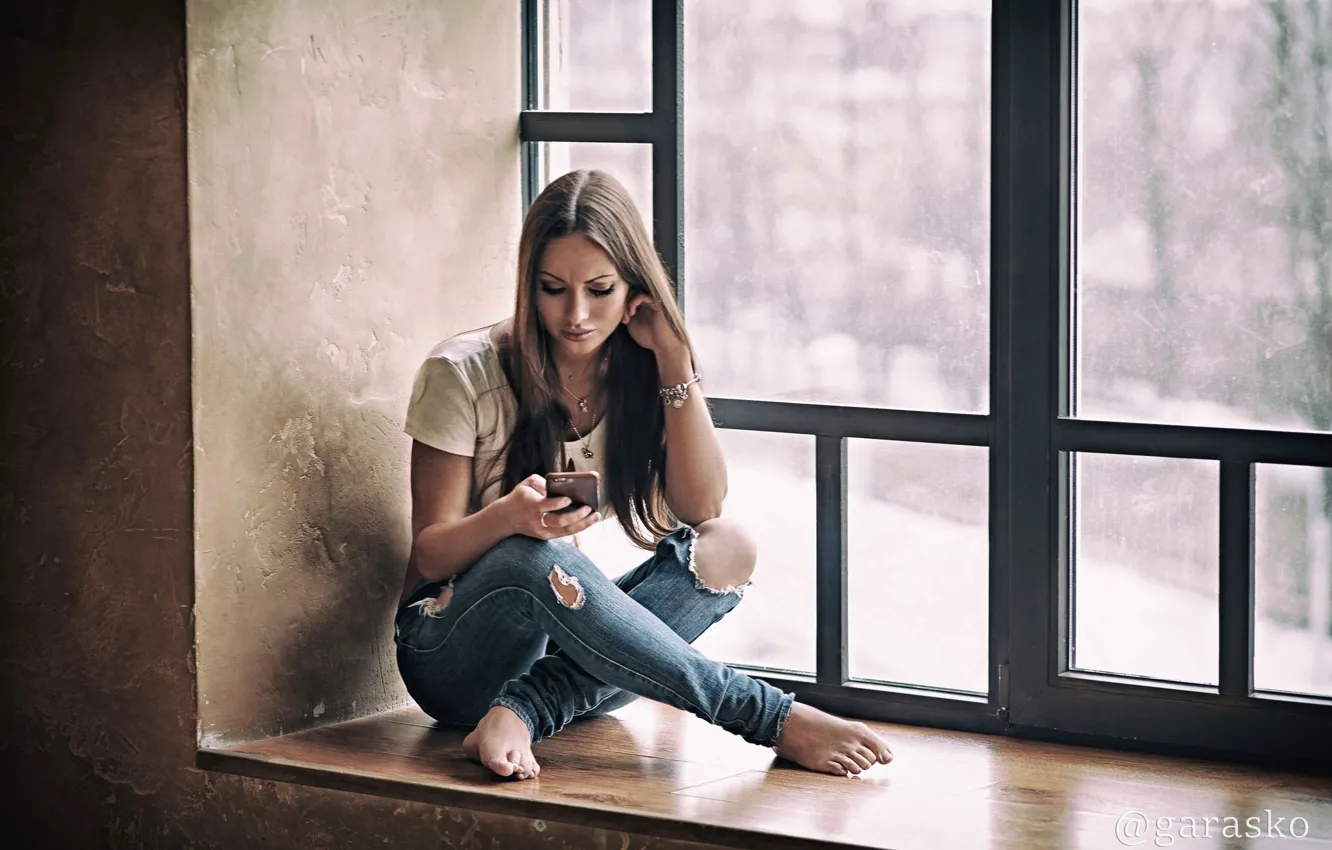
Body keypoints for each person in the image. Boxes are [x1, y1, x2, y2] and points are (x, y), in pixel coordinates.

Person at [394, 169, 893, 780]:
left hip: (576, 655)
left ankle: (527, 707)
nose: (575, 315)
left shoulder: (641, 369)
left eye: (599, 290)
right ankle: (770, 718)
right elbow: (432, 553)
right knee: (531, 555)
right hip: (450, 651)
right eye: (553, 289)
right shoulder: (462, 372)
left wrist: (673, 359)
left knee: (730, 546)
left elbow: (703, 506)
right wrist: (507, 519)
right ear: (529, 286)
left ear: (633, 287)